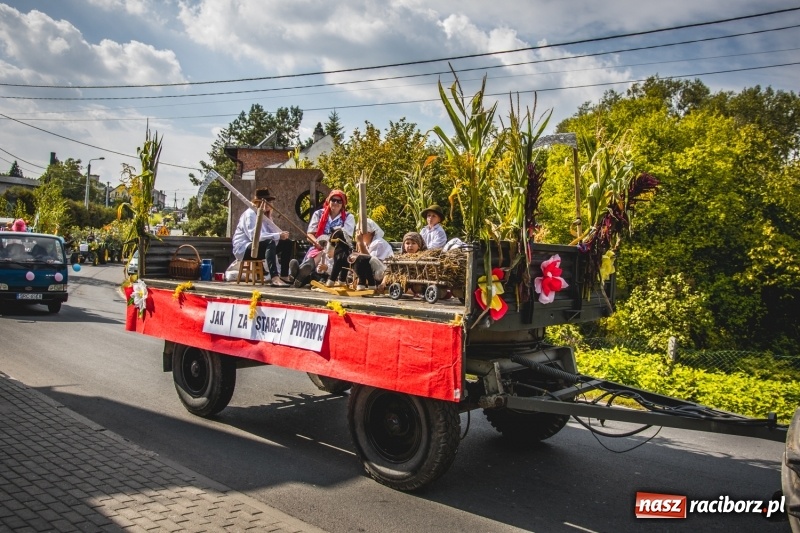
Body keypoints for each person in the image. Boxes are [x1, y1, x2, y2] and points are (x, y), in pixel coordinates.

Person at [292, 189, 355, 287]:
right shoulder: (318, 214)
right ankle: (303, 272)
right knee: (318, 253)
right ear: (329, 201)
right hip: (318, 246)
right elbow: (310, 234)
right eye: (333, 200)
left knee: (325, 254)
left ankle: (298, 274)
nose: (335, 203)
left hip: (337, 249)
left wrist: (330, 246)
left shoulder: (348, 217)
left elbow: (347, 237)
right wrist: (316, 242)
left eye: (339, 201)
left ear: (343, 204)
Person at [232, 188, 291, 287]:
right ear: (259, 202)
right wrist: (278, 235)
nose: (269, 204)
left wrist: (271, 220)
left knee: (287, 242)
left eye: (270, 202)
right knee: (270, 242)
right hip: (244, 249)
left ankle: (284, 275)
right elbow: (254, 237)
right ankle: (274, 278)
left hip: (259, 247)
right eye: (267, 201)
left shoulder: (265, 216)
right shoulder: (250, 214)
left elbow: (273, 233)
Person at [351, 218, 394, 290]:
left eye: (362, 233)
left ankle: (370, 283)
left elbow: (368, 260)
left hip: (383, 272)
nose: (360, 235)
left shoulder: (379, 243)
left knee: (364, 259)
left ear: (371, 233)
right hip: (373, 271)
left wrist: (360, 243)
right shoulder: (366, 243)